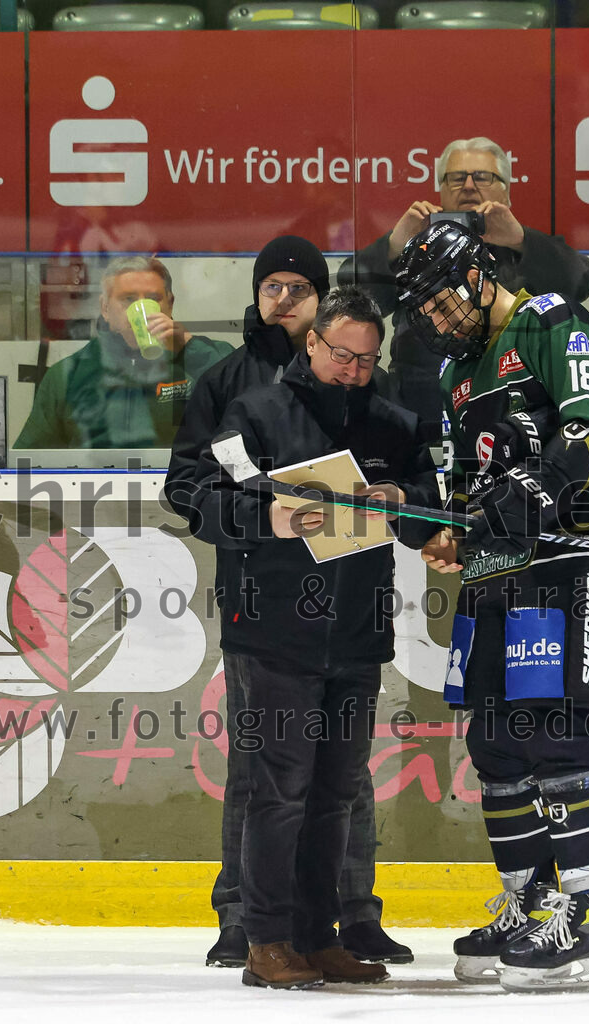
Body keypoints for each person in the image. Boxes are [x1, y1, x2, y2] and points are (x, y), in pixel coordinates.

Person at [395, 220, 589, 993]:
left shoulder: (550, 320)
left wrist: (533, 492)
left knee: (557, 736)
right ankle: (530, 905)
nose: (432, 320)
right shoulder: (454, 373)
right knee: (497, 747)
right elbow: (472, 486)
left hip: (567, 562)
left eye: (438, 302)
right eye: (421, 311)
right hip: (495, 573)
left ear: (475, 274)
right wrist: (451, 528)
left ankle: (588, 913)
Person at [166, 237, 414, 970]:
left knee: (337, 788)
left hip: (356, 630)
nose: (354, 370)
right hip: (271, 624)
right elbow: (191, 492)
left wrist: (404, 500)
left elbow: (433, 497)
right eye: (343, 355)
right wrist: (262, 517)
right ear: (315, 342)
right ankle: (259, 932)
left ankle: (325, 931)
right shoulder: (248, 403)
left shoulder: (389, 417)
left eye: (367, 359)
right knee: (273, 786)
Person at [339, 136, 589, 438]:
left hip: (512, 418)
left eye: (483, 177)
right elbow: (350, 299)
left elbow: (580, 282)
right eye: (457, 178)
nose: (469, 186)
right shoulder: (418, 251)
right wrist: (395, 246)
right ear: (440, 189)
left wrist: (519, 240)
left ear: (507, 191)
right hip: (419, 414)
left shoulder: (524, 249)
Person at [14, 256, 232, 449]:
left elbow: (244, 401)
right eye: (128, 299)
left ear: (170, 304)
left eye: (153, 298)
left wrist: (189, 348)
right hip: (92, 491)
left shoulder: (208, 357)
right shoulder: (68, 374)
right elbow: (30, 460)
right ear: (105, 309)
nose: (142, 309)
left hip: (180, 489)